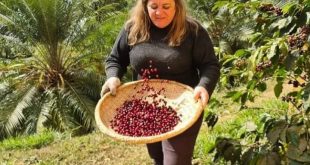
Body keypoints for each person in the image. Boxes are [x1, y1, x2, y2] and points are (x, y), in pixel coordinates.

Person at [100, 0, 220, 164]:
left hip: (183, 108)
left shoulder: (192, 31)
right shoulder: (133, 28)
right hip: (146, 108)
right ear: (145, 6)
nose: (159, 12)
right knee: (158, 157)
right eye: (154, 7)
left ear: (176, 5)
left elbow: (210, 65)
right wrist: (113, 76)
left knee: (175, 161)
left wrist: (204, 86)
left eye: (166, 6)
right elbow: (115, 59)